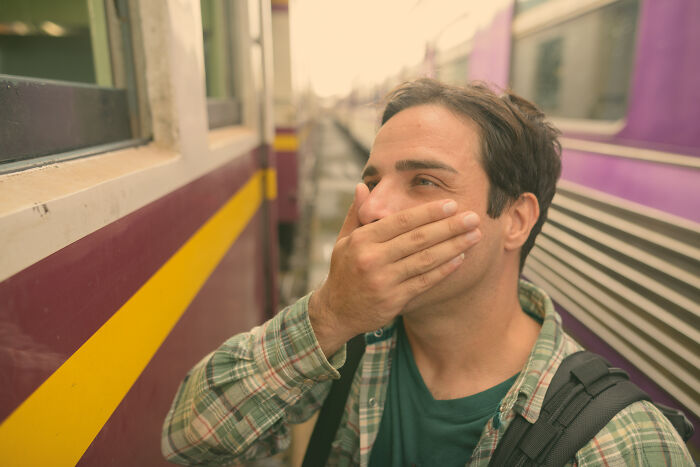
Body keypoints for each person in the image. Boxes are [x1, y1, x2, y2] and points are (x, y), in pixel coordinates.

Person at [161, 79, 693, 466]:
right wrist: (328, 314)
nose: (372, 210)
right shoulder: (352, 343)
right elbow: (190, 438)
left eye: (424, 182)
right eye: (373, 181)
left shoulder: (622, 442)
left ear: (515, 220)